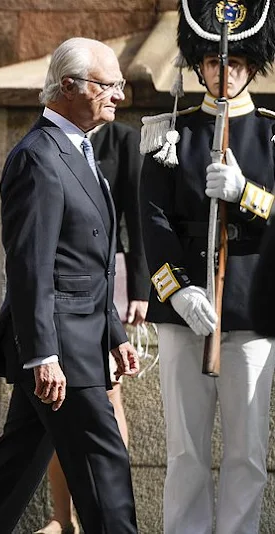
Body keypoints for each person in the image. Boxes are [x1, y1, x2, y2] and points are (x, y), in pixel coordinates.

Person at [0, 37, 140, 534]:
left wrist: (113, 333)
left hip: (80, 337)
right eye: (108, 84)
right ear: (69, 86)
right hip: (59, 349)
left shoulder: (79, 147)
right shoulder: (38, 156)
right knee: (104, 465)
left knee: (11, 474)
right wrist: (42, 355)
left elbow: (87, 263)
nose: (119, 94)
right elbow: (30, 267)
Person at [139, 1, 275, 533]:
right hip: (186, 310)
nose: (226, 71)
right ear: (199, 64)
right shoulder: (170, 132)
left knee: (246, 453)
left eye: (238, 62)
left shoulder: (269, 135)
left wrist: (246, 194)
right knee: (186, 452)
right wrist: (175, 291)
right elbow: (152, 222)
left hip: (249, 307)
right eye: (217, 62)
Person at [36, 121, 149, 534]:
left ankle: (101, 515)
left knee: (105, 395)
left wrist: (140, 288)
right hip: (58, 284)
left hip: (108, 281)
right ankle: (61, 517)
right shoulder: (45, 140)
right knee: (56, 400)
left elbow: (137, 216)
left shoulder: (121, 140)